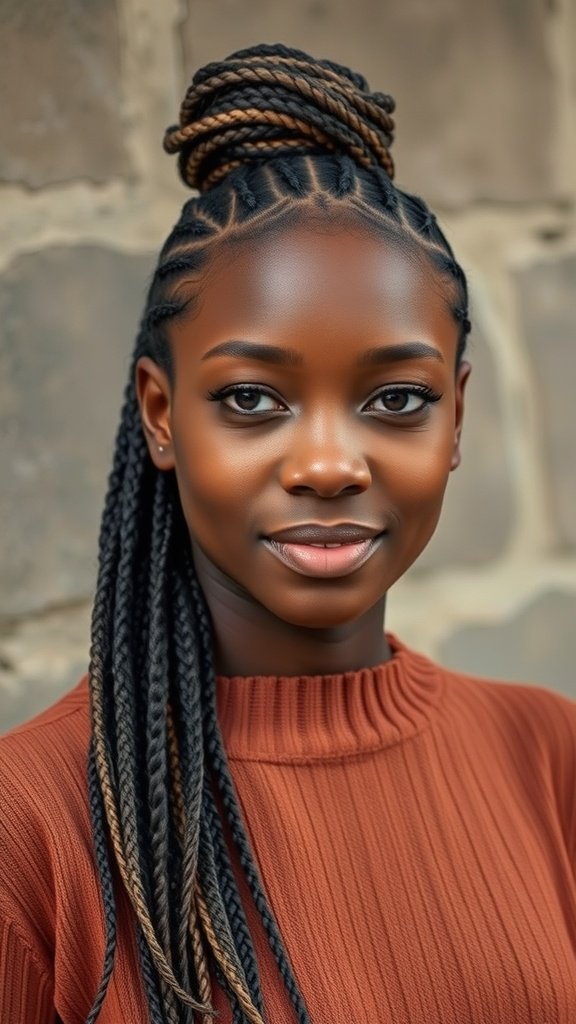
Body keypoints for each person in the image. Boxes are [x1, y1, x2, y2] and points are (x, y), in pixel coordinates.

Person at [1, 42, 575, 1024]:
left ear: (457, 419)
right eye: (252, 398)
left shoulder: (547, 755)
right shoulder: (31, 826)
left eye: (398, 398)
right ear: (161, 414)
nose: (328, 464)